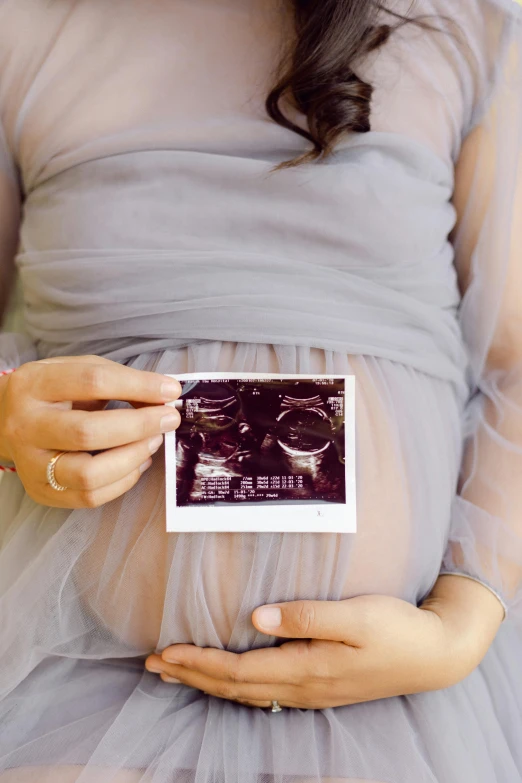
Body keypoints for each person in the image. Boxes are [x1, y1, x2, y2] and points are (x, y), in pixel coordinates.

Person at [0, 0, 521, 780]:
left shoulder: (469, 25)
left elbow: (513, 365)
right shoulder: (19, 26)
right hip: (83, 684)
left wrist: (461, 625)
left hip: (397, 703)